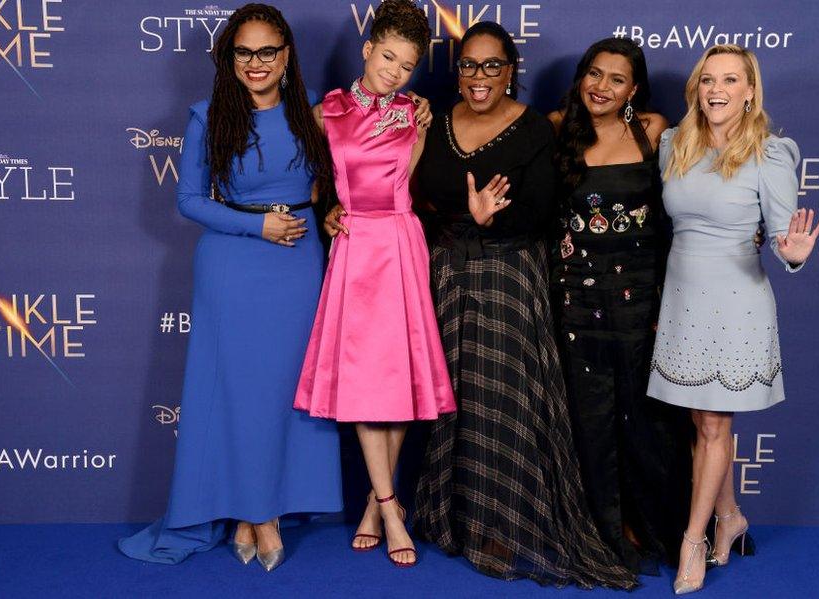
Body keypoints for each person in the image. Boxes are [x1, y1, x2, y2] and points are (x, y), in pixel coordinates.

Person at [405, 22, 636, 589]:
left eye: (491, 65)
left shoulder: (534, 130)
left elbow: (539, 210)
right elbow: (409, 192)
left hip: (509, 276)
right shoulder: (432, 122)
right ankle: (453, 513)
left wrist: (488, 219)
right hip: (443, 275)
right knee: (451, 400)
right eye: (467, 65)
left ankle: (502, 523)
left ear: (511, 70)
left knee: (500, 402)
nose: (477, 77)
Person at [119, 4, 343, 571]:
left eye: (267, 51)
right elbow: (188, 200)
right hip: (232, 265)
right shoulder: (206, 116)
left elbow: (355, 170)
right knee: (238, 394)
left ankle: (262, 508)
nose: (256, 63)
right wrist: (257, 224)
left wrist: (335, 211)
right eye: (244, 52)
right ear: (229, 59)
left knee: (282, 393)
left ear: (286, 55)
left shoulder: (315, 115)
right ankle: (254, 515)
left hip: (298, 266)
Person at [648, 44, 819, 594]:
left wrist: (793, 255)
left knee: (715, 424)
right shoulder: (674, 143)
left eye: (730, 80)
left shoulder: (770, 155)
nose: (717, 90)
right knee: (702, 424)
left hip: (736, 303)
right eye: (708, 80)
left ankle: (692, 540)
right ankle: (731, 516)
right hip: (680, 299)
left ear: (750, 91)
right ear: (696, 89)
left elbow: (781, 236)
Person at [293, 0, 454, 569]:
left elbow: (407, 182)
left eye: (407, 64)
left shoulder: (417, 113)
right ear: (367, 48)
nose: (394, 71)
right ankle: (390, 508)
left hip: (401, 243)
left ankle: (372, 504)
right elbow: (314, 190)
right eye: (387, 56)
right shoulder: (326, 112)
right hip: (356, 247)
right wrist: (328, 215)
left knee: (402, 379)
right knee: (365, 382)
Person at [547, 38, 693, 575]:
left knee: (648, 419)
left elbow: (698, 190)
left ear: (634, 90)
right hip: (576, 299)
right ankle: (604, 533)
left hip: (642, 299)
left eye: (616, 79)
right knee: (590, 419)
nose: (601, 87)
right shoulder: (558, 125)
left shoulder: (652, 130)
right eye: (594, 73)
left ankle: (654, 527)